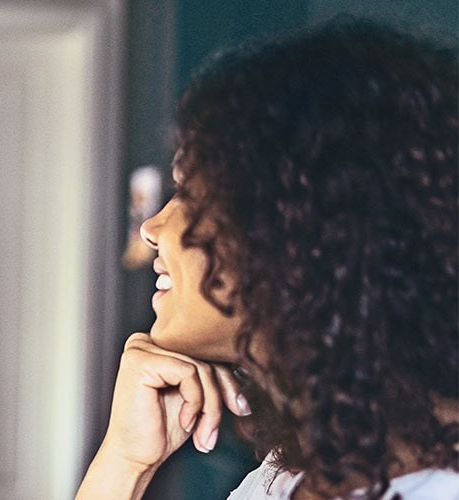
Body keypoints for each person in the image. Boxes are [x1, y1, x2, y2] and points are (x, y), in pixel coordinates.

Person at [76, 20, 457, 500]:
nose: (152, 229)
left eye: (189, 195)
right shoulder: (283, 479)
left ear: (296, 234)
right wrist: (125, 462)